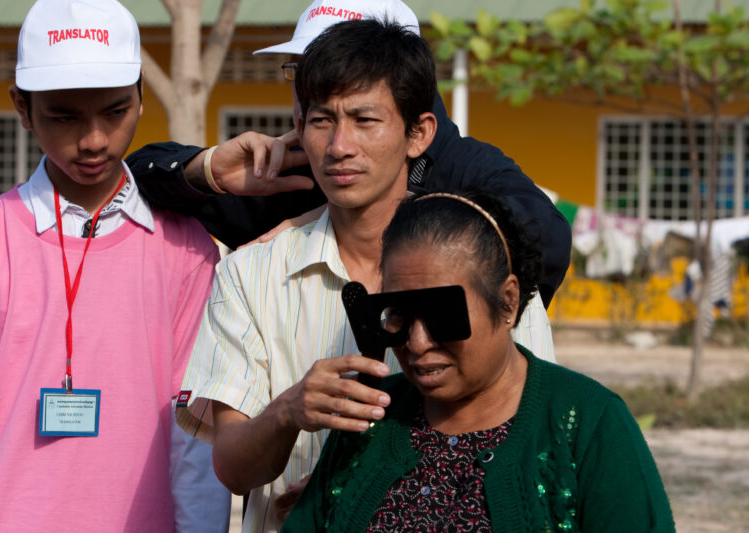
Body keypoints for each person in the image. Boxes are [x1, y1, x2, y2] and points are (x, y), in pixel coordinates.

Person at [176, 19, 559, 533]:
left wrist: (364, 499)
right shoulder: (250, 274)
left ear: (418, 133)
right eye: (321, 120)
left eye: (365, 120)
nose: (339, 146)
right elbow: (233, 468)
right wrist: (289, 410)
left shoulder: (490, 266)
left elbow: (537, 444)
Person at [125, 0, 570, 360]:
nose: (316, 90)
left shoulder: (466, 164)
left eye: (349, 74)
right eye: (302, 73)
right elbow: (140, 176)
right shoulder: (293, 168)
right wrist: (206, 169)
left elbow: (543, 239)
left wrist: (354, 216)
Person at [0, 1, 227, 531]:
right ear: (21, 108)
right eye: (64, 116)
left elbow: (194, 432)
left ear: (142, 98)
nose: (94, 139)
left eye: (115, 111)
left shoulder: (188, 251)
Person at [282, 190, 676, 532]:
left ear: (506, 303)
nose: (417, 343)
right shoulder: (367, 418)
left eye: (442, 315)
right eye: (399, 314)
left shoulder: (591, 423)